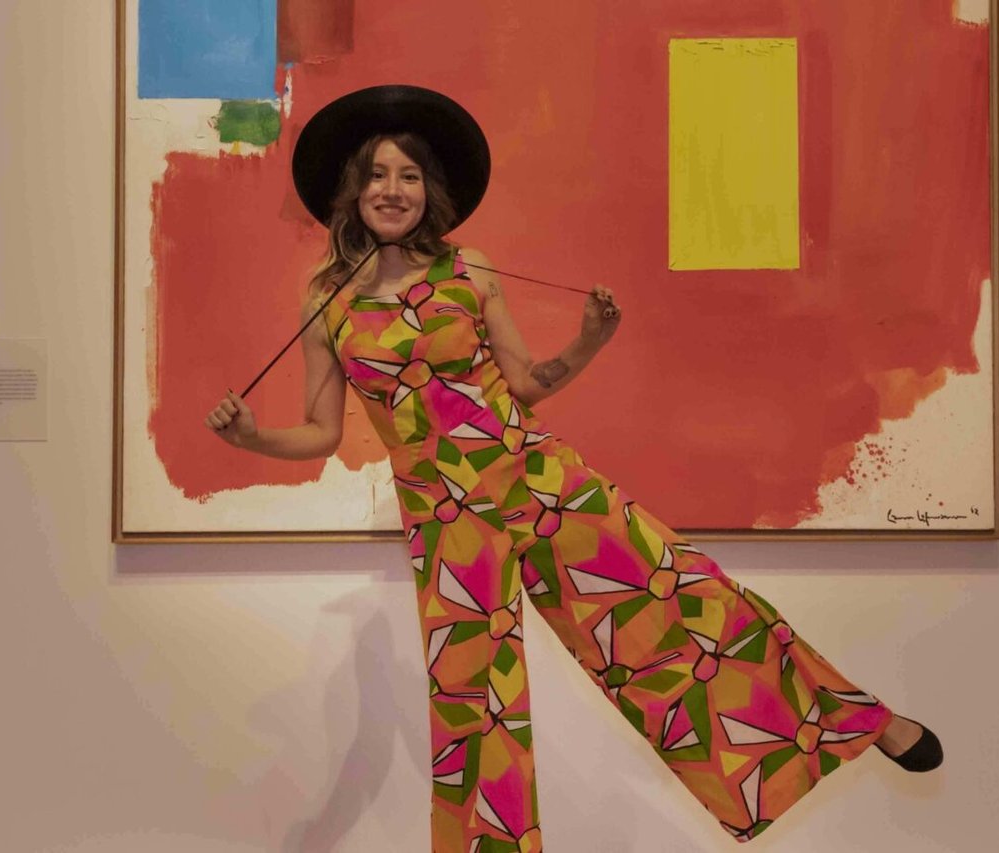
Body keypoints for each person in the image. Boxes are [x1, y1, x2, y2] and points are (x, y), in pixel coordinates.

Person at [204, 85, 942, 851]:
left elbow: (526, 382)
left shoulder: (469, 270)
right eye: (377, 175)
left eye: (410, 175)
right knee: (474, 709)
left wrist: (590, 338)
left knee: (682, 595)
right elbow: (321, 433)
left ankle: (858, 718)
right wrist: (251, 438)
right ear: (352, 190)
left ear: (431, 191)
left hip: (538, 479)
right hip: (447, 524)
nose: (393, 190)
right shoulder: (327, 301)